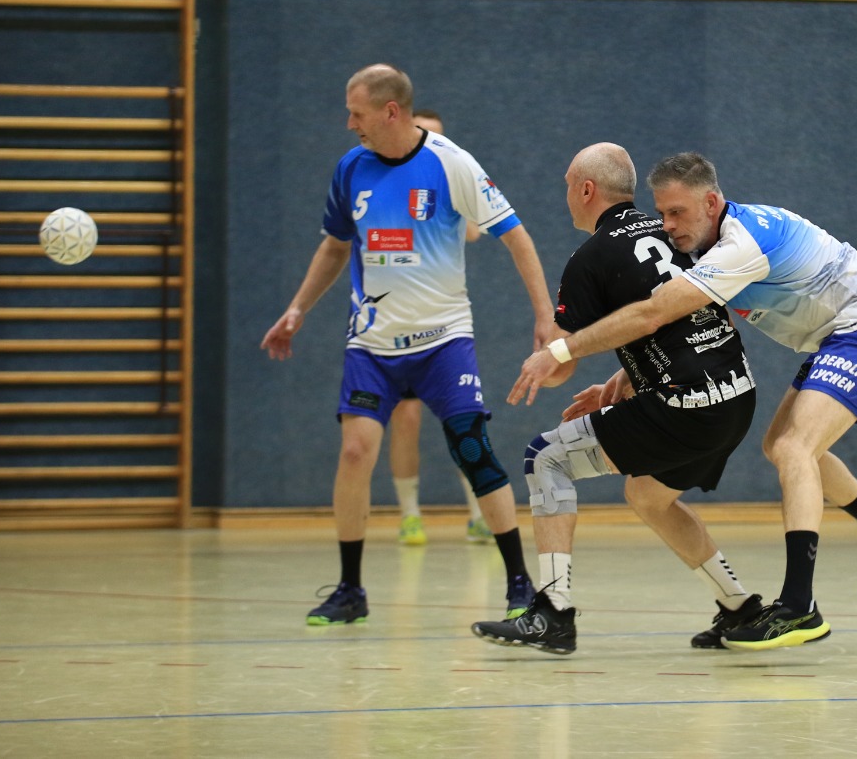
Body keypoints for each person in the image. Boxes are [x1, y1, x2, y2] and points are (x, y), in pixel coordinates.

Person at [509, 152, 857, 651]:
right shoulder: (704, 244)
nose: (668, 225)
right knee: (785, 447)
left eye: (677, 213)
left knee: (793, 449)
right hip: (833, 335)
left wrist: (559, 350)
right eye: (661, 212)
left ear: (711, 203)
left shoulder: (739, 247)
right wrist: (625, 376)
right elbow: (691, 321)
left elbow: (653, 313)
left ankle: (799, 606)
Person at [262, 63, 555, 626]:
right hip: (372, 344)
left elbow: (516, 236)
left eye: (357, 113)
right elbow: (334, 246)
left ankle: (519, 582)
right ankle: (350, 590)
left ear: (390, 111)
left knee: (472, 448)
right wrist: (297, 309)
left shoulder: (452, 163)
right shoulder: (351, 168)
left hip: (444, 340)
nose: (350, 124)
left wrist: (545, 316)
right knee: (355, 452)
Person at [471, 143, 764, 655]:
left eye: (568, 185)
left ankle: (552, 613)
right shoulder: (672, 230)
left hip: (685, 407)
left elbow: (562, 368)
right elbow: (678, 319)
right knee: (647, 495)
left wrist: (546, 353)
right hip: (737, 397)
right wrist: (629, 375)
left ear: (586, 190)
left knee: (546, 458)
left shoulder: (590, 258)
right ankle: (741, 607)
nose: (566, 195)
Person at [387, 108, 491, 547]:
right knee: (406, 418)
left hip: (444, 325)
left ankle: (479, 514)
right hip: (397, 322)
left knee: (462, 420)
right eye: (424, 134)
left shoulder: (452, 178)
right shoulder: (387, 181)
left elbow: (474, 232)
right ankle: (410, 514)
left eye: (438, 136)